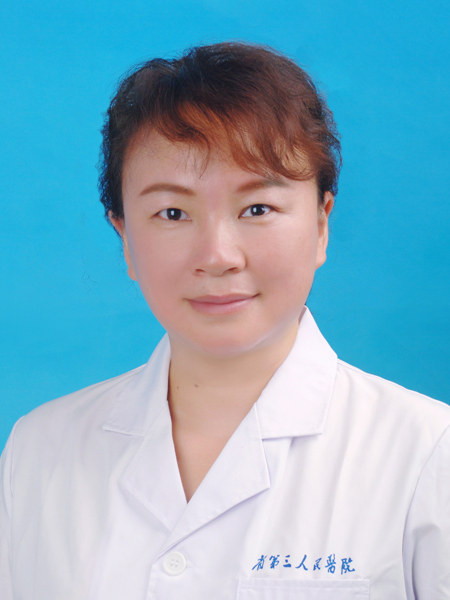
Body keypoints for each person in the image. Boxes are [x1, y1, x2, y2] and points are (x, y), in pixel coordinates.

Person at [1, 42, 449, 600]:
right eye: (172, 213)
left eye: (257, 208)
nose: (217, 256)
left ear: (321, 223)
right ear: (125, 239)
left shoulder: (429, 453)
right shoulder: (38, 452)